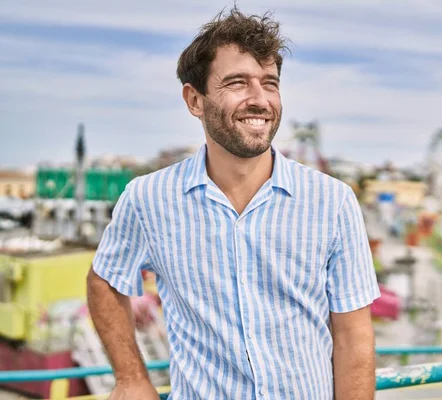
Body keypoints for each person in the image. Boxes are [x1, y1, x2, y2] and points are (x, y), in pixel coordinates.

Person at [86, 8, 381, 400]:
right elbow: (105, 280)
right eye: (238, 83)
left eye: (270, 83)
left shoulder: (333, 202)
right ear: (195, 99)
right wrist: (130, 378)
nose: (260, 100)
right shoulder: (148, 199)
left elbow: (353, 336)